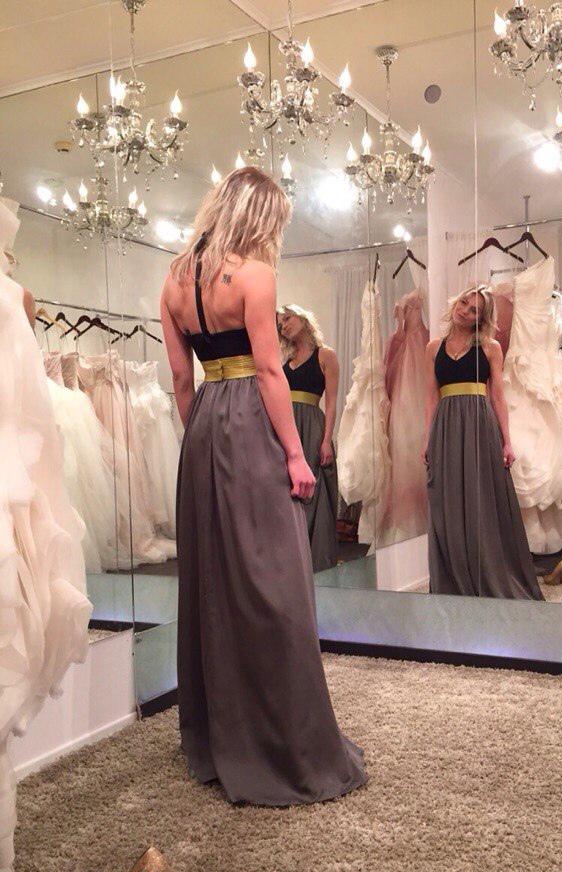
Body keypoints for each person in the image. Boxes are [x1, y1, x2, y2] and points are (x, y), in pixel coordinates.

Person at [160, 166, 367, 806]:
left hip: (204, 425)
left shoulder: (174, 277)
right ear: (262, 217)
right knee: (276, 578)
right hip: (252, 417)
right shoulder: (253, 273)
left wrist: (203, 438)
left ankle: (221, 734)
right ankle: (283, 742)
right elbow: (272, 373)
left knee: (217, 578)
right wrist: (297, 456)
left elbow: (181, 380)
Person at [423, 285, 543, 600]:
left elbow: (498, 397)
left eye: (474, 309)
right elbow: (431, 397)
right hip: (446, 427)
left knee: (481, 500)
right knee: (447, 502)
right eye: (464, 302)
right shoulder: (433, 348)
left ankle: (489, 573)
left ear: (481, 318)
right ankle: (452, 577)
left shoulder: (490, 348)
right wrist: (428, 439)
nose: (465, 310)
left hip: (479, 424)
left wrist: (507, 442)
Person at [278, 304, 339, 571]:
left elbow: (332, 402)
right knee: (286, 488)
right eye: (280, 324)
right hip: (286, 426)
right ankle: (291, 560)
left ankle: (317, 560)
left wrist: (326, 440)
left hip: (312, 425)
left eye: (288, 318)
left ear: (303, 318)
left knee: (315, 489)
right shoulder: (285, 360)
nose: (284, 325)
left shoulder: (326, 355)